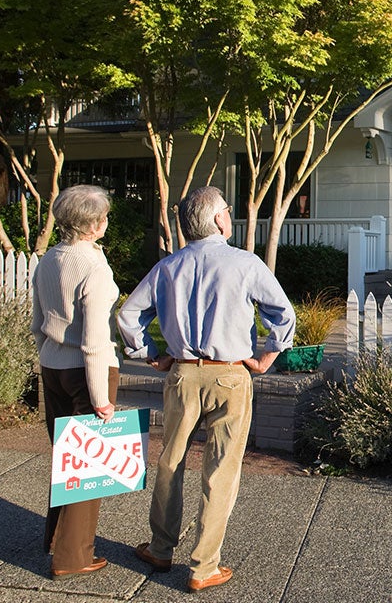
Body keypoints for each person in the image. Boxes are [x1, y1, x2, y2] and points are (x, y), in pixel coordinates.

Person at [117, 186, 295, 593]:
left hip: (182, 374)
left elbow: (129, 315)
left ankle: (161, 549)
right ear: (218, 220)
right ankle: (202, 566)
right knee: (221, 470)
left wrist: (150, 353)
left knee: (170, 461)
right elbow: (283, 314)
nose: (230, 217)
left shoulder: (168, 266)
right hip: (230, 374)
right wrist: (268, 356)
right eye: (228, 212)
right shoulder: (245, 263)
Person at [31, 184, 121, 580]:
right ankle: (72, 557)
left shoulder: (48, 259)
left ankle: (55, 537)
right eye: (103, 216)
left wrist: (45, 356)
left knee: (65, 457)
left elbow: (37, 321)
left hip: (52, 366)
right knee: (89, 467)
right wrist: (101, 398)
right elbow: (96, 342)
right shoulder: (94, 268)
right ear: (94, 224)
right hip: (88, 374)